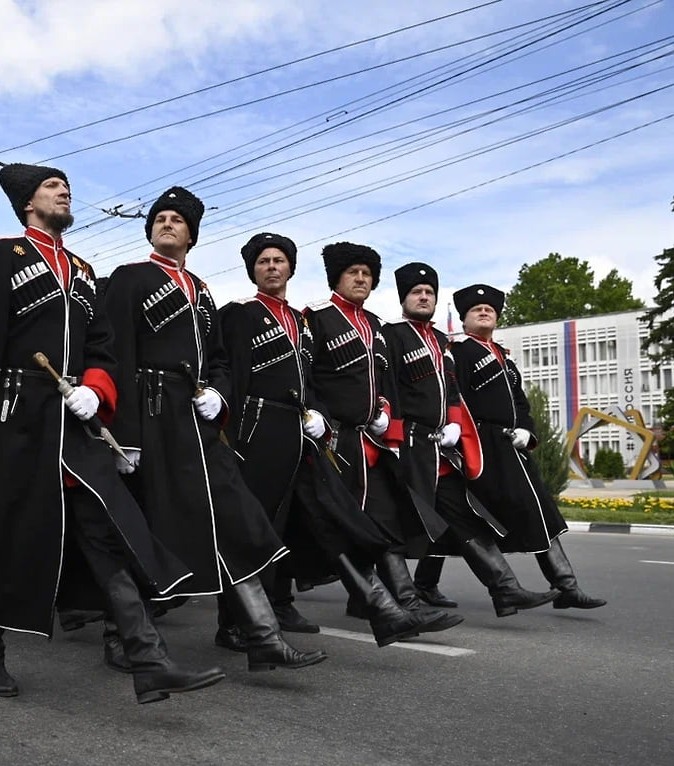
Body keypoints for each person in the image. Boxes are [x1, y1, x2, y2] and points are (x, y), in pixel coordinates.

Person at [0, 162, 226, 703]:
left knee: (108, 530)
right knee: (1, 536)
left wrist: (97, 391)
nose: (64, 192)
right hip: (13, 417)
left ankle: (147, 657)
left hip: (71, 421)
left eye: (66, 186)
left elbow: (102, 346)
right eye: (52, 187)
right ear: (28, 202)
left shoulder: (82, 271)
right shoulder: (0, 255)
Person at [104, 188, 326, 671]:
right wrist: (124, 435)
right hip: (150, 414)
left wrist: (220, 395)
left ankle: (262, 636)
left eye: (177, 220)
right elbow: (113, 353)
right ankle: (121, 633)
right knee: (149, 523)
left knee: (236, 518)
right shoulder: (129, 278)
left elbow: (220, 360)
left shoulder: (202, 291)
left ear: (191, 235)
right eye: (160, 218)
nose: (167, 224)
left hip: (195, 419)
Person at [222, 233, 462, 647]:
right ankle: (247, 619)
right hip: (285, 434)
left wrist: (379, 411)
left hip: (331, 436)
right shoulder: (279, 315)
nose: (273, 267)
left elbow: (365, 381)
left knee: (340, 521)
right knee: (270, 524)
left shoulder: (325, 323)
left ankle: (389, 607)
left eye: (367, 274)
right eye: (265, 261)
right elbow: (239, 372)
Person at [410, 284, 606, 610]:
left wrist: (527, 433)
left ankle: (565, 586)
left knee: (536, 511)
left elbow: (522, 405)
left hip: (512, 447)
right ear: (464, 319)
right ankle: (428, 583)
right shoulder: (459, 353)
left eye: (489, 309)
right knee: (472, 516)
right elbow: (454, 400)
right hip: (481, 447)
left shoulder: (505, 358)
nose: (484, 312)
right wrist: (460, 440)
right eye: (476, 310)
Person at [381, 263, 558, 617]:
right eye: (417, 292)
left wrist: (455, 425)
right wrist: (394, 436)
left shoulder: (440, 341)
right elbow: (386, 387)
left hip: (439, 448)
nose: (424, 297)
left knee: (465, 517)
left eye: (429, 292)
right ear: (404, 298)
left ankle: (505, 589)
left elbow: (452, 391)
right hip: (409, 444)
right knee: (398, 521)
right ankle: (387, 600)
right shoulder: (391, 335)